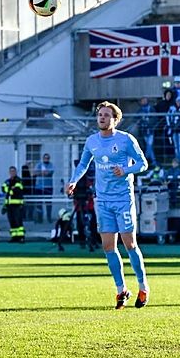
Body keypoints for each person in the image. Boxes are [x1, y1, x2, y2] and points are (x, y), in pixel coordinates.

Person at [67, 102, 149, 310]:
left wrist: (125, 169)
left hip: (123, 199)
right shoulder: (92, 141)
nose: (102, 118)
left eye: (106, 115)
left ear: (115, 119)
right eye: (99, 115)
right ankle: (121, 290)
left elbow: (143, 163)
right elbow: (83, 164)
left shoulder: (125, 140)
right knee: (108, 247)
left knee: (129, 244)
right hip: (102, 201)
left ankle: (143, 287)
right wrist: (74, 180)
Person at [2, 166, 25, 243]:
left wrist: (10, 190)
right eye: (11, 171)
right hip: (9, 205)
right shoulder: (7, 181)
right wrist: (10, 189)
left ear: (16, 172)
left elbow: (18, 190)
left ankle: (21, 237)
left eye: (13, 171)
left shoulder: (19, 180)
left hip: (17, 205)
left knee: (18, 221)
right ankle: (14, 236)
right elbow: (3, 189)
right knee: (12, 221)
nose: (12, 173)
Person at [33, 153, 55, 223]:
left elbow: (49, 173)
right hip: (39, 187)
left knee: (48, 203)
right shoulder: (39, 165)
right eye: (45, 158)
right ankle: (39, 219)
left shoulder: (51, 165)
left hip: (48, 186)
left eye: (47, 158)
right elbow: (35, 173)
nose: (46, 159)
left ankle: (49, 218)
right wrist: (43, 173)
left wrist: (42, 173)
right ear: (43, 158)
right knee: (39, 203)